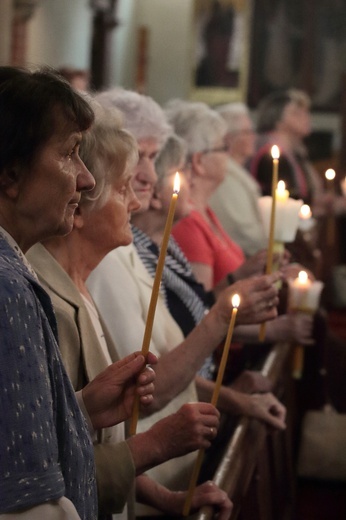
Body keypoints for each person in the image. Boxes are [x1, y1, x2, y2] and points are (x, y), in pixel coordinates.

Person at [27, 101, 231, 520]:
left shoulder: (77, 285)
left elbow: (94, 442)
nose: (138, 203)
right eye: (123, 190)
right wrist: (156, 442)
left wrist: (165, 498)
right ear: (79, 208)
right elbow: (49, 465)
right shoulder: (47, 301)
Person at [86, 89, 286, 517]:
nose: (147, 175)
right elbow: (143, 394)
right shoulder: (105, 257)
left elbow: (162, 365)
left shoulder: (127, 245)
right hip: (142, 477)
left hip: (165, 474)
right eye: (138, 156)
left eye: (154, 159)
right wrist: (221, 316)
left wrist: (234, 399)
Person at [0, 67, 156, 520]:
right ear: (11, 173)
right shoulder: (9, 287)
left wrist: (81, 408)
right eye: (70, 154)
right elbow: (27, 501)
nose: (85, 180)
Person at [209, 102, 267, 257]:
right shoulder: (224, 177)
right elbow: (243, 231)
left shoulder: (236, 170)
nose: (254, 137)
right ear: (228, 139)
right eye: (247, 132)